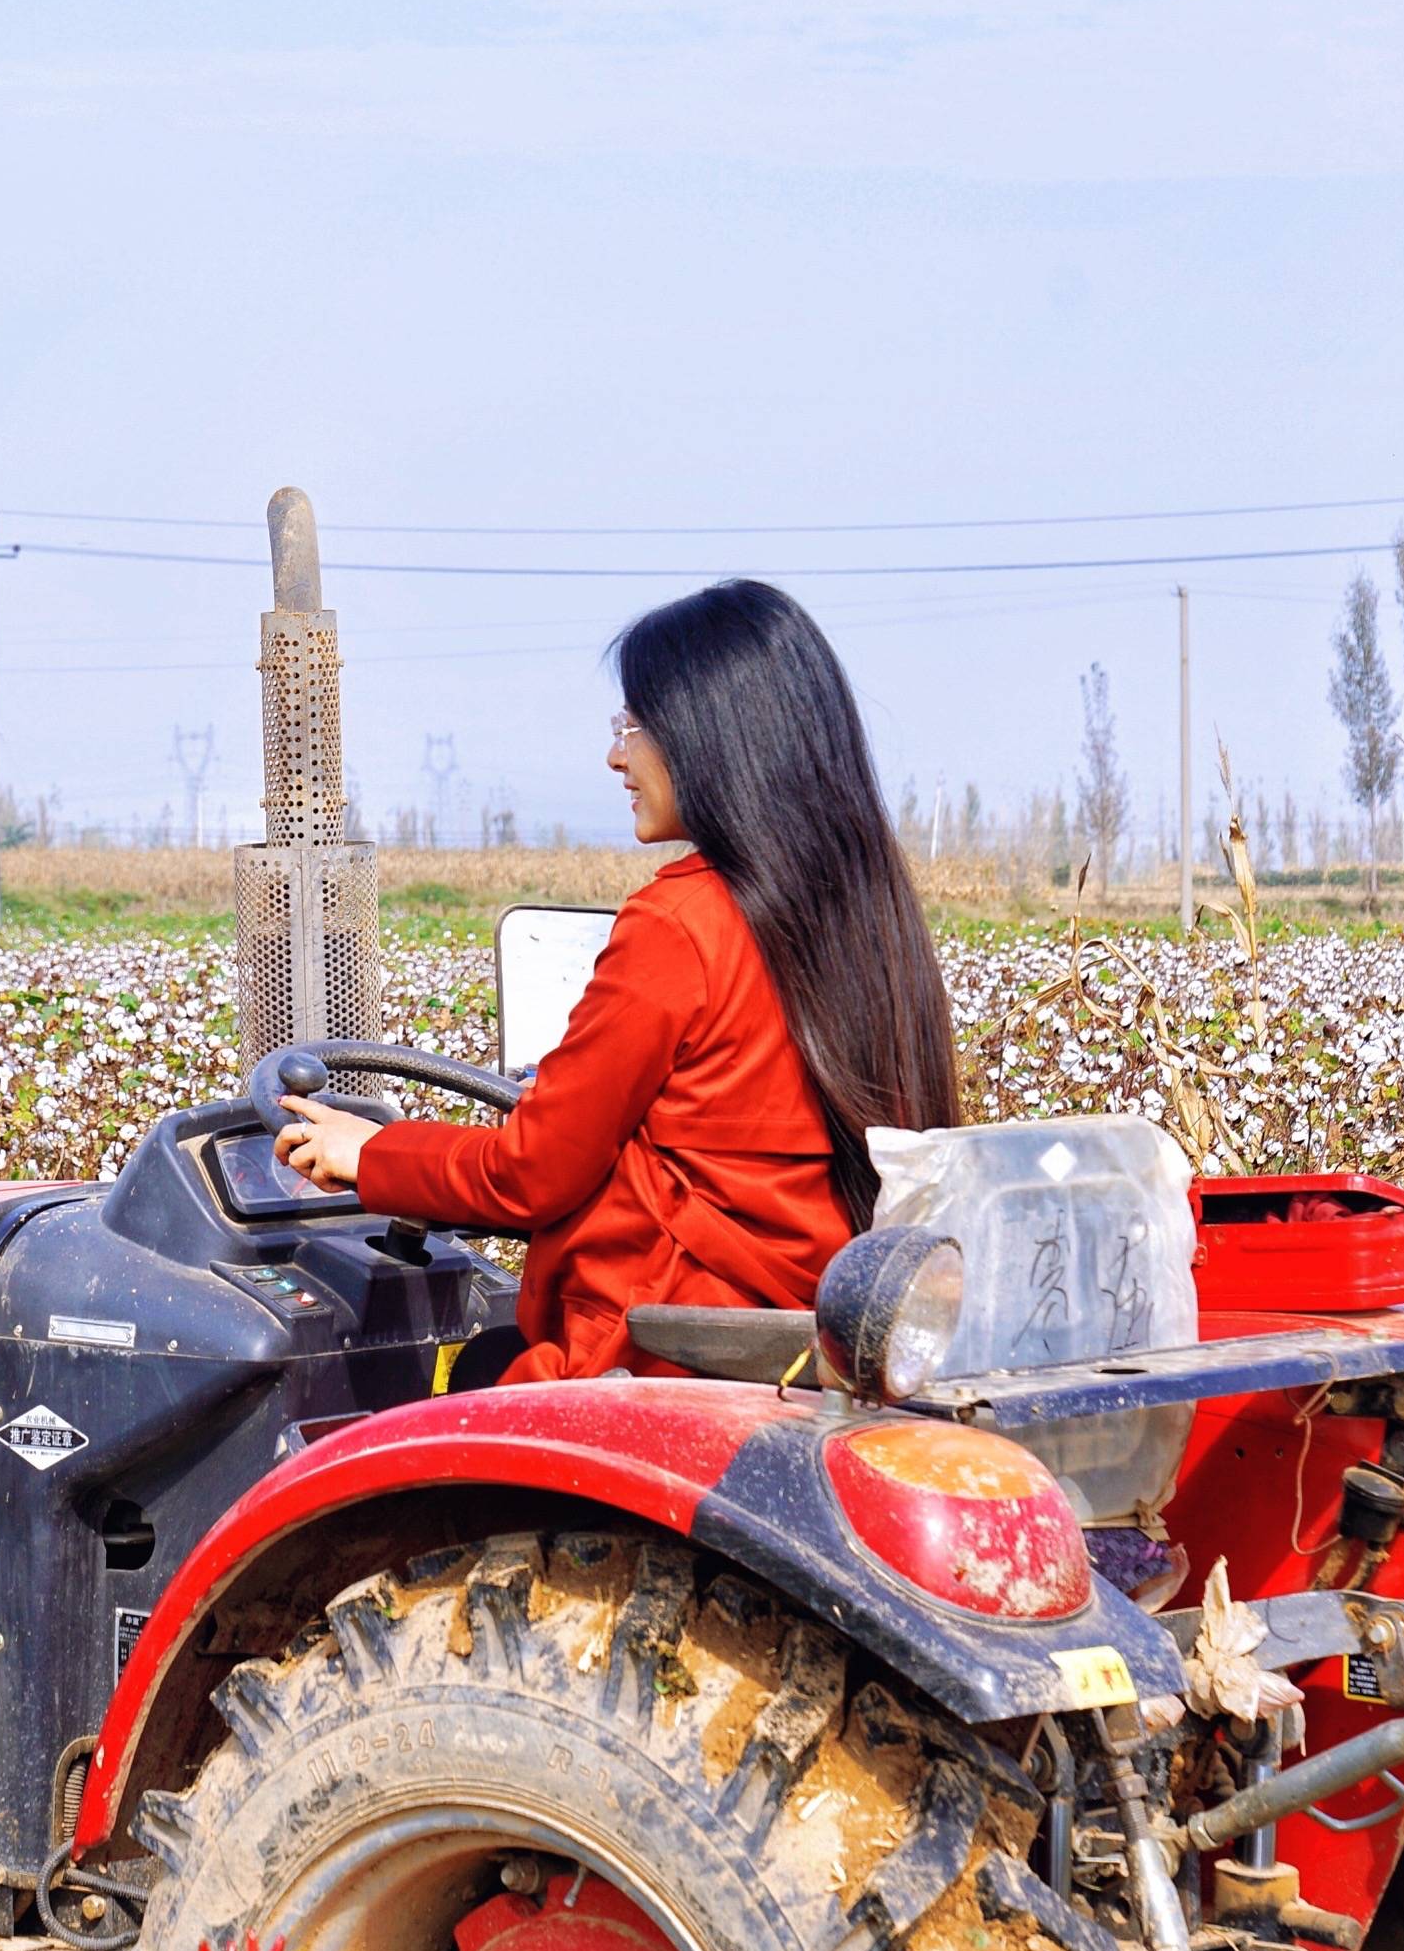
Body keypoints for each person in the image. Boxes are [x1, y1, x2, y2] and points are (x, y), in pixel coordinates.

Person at [272, 579, 956, 1380]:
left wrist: (375, 1152)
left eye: (635, 726)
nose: (616, 755)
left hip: (663, 1349)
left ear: (714, 739)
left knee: (450, 1382)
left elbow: (530, 1175)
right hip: (811, 1340)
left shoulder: (678, 926)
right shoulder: (873, 923)